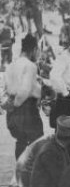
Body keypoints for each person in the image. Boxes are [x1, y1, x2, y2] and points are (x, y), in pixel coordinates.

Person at [5, 34, 44, 162]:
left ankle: (20, 170)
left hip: (13, 109)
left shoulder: (11, 64)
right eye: (37, 50)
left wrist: (11, 105)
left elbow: (7, 86)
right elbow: (24, 90)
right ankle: (30, 170)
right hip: (26, 108)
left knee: (21, 141)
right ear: (33, 49)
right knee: (36, 141)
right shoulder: (30, 66)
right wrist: (17, 104)